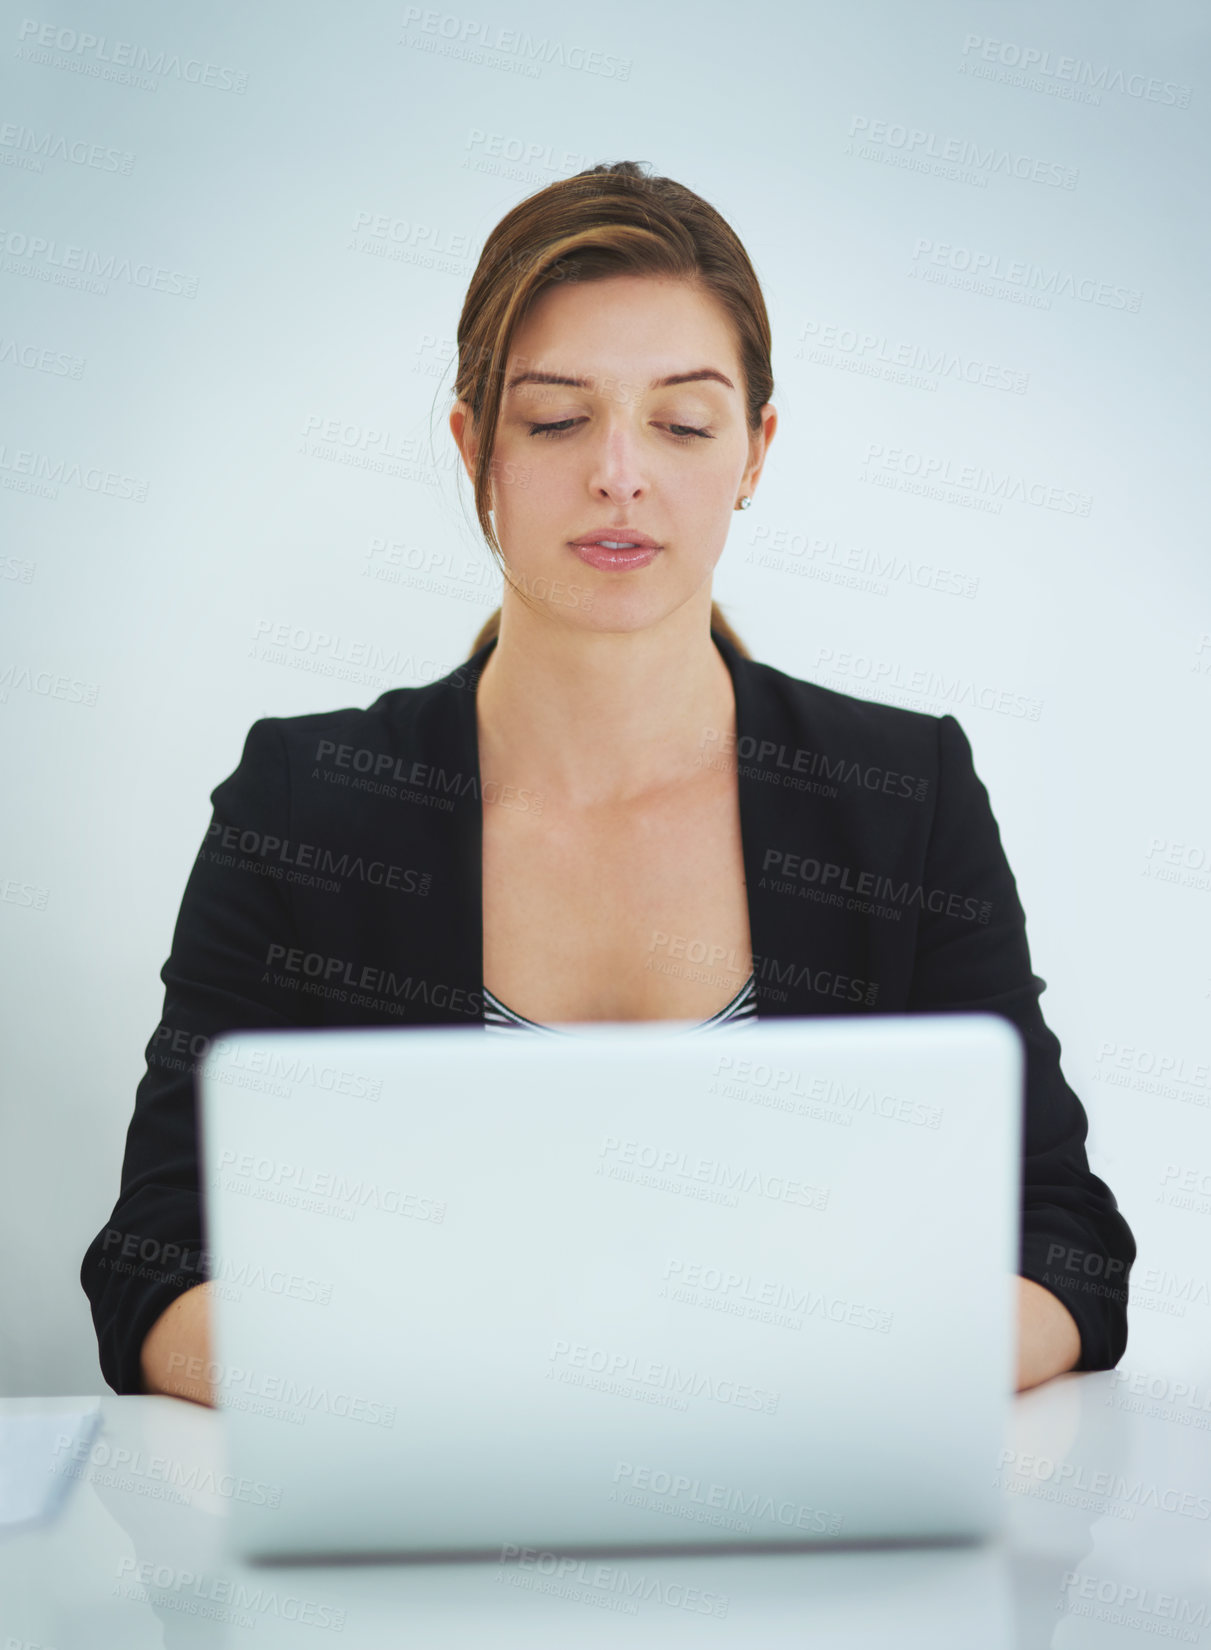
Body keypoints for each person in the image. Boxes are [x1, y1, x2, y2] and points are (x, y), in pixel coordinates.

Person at [80, 160, 1135, 1408]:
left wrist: (802, 1389)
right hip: (432, 1539)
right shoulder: (304, 805)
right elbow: (153, 1266)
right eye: (554, 419)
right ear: (473, 445)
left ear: (753, 451)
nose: (619, 476)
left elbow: (1062, 1243)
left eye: (682, 423)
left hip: (805, 1535)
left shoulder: (902, 796)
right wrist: (456, 1404)